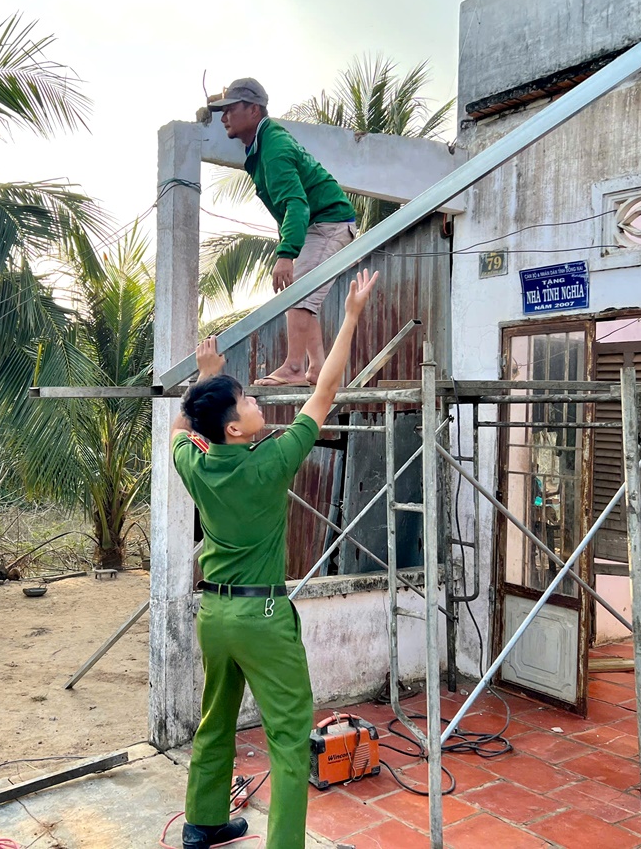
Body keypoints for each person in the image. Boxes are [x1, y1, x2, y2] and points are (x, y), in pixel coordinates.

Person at [170, 269, 380, 849]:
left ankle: (203, 822)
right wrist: (352, 316)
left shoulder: (198, 464)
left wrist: (205, 377)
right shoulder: (270, 462)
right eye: (246, 401)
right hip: (262, 619)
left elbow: (180, 430)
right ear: (235, 427)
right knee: (288, 739)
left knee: (215, 719)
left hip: (215, 616)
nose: (256, 400)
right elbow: (325, 392)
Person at [208, 77, 359, 387]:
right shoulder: (263, 144)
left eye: (230, 109)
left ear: (254, 110)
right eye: (221, 112)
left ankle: (293, 367)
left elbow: (296, 204)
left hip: (328, 223)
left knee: (297, 294)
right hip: (320, 223)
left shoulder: (273, 148)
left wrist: (286, 254)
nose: (224, 118)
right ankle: (315, 368)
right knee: (303, 297)